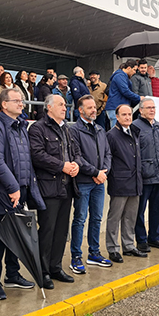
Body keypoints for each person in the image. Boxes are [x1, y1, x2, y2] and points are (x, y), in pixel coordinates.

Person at [0, 88, 45, 300]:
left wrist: (26, 188)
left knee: (17, 234)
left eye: (22, 101)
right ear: (4, 104)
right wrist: (13, 188)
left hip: (22, 190)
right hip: (5, 191)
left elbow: (26, 160)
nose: (22, 104)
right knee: (1, 236)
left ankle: (12, 274)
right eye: (17, 101)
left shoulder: (21, 127)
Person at [29, 94, 81, 288]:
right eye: (60, 104)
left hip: (67, 186)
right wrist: (62, 166)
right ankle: (42, 272)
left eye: (65, 105)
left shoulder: (66, 129)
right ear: (48, 107)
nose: (64, 107)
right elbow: (37, 155)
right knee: (47, 230)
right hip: (49, 187)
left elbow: (75, 152)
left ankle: (56, 266)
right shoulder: (37, 128)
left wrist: (75, 164)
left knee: (61, 230)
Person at [69, 95, 112, 274]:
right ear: (81, 110)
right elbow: (76, 157)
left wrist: (103, 172)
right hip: (84, 182)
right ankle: (76, 257)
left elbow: (108, 154)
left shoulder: (101, 129)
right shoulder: (74, 130)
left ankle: (94, 253)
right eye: (89, 108)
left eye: (94, 107)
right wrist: (95, 173)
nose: (93, 110)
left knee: (96, 218)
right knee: (80, 219)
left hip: (99, 182)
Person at [106, 104, 146, 263]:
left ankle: (129, 246)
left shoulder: (135, 132)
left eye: (129, 114)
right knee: (114, 218)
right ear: (117, 116)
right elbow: (108, 159)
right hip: (120, 183)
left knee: (130, 217)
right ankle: (113, 249)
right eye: (124, 114)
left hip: (135, 182)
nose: (128, 117)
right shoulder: (112, 135)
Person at [131, 98, 159, 251]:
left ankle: (154, 237)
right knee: (139, 211)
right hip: (143, 177)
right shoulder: (135, 126)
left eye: (153, 107)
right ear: (141, 110)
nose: (152, 110)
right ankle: (141, 240)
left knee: (157, 209)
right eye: (148, 108)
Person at [104, 59, 142, 128]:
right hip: (115, 107)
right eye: (134, 70)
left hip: (116, 106)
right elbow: (125, 91)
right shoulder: (120, 76)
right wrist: (139, 98)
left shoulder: (122, 76)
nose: (135, 72)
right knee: (117, 132)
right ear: (129, 68)